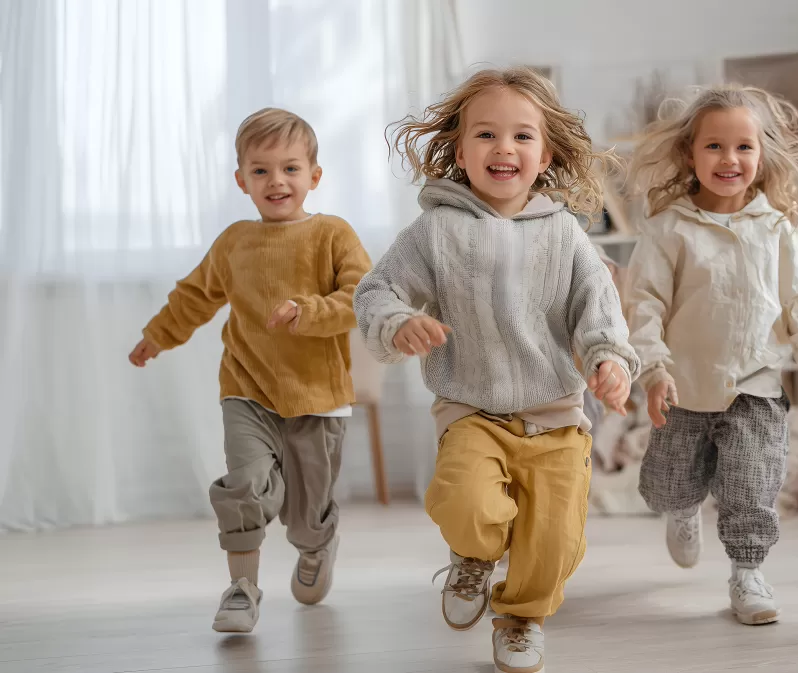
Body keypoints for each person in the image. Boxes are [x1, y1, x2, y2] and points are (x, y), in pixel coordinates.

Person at [354, 67, 639, 673]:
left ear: (547, 154)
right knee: (467, 501)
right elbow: (376, 289)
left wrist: (609, 359)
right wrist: (399, 320)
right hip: (473, 409)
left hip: (557, 416)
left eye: (521, 136)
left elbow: (599, 310)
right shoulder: (435, 230)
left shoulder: (567, 235)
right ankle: (472, 557)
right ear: (460, 150)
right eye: (485, 135)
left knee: (554, 541)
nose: (503, 148)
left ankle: (520, 618)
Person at [129, 108, 371, 633]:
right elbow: (195, 295)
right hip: (246, 389)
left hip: (318, 396)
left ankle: (316, 545)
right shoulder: (235, 241)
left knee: (306, 513)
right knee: (244, 484)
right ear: (241, 180)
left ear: (314, 176)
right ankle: (242, 587)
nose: (276, 181)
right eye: (260, 171)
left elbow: (361, 300)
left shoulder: (334, 234)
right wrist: (159, 334)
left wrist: (308, 311)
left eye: (289, 168)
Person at [624, 84, 798, 626]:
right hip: (684, 384)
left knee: (753, 484)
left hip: (757, 384)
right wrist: (652, 368)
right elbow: (644, 304)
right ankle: (682, 507)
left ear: (762, 154)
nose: (729, 159)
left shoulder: (777, 227)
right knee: (666, 484)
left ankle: (747, 571)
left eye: (743, 147)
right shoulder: (669, 227)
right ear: (690, 154)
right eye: (714, 147)